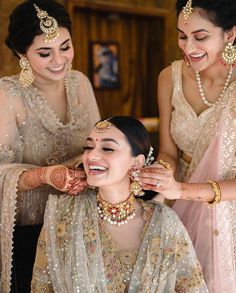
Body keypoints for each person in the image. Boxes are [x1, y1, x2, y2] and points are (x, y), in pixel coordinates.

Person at [31, 116, 208, 292]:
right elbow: (42, 287)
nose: (92, 155)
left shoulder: (164, 222)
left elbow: (191, 287)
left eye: (107, 148)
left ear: (136, 163)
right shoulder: (64, 216)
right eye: (88, 147)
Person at [0, 0, 100, 291]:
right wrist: (46, 176)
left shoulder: (80, 82)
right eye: (45, 52)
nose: (59, 60)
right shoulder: (9, 94)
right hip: (30, 232)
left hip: (82, 223)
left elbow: (98, 143)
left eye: (65, 47)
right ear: (21, 53)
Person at [139, 0, 236, 292]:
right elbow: (169, 152)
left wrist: (182, 190)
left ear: (230, 34)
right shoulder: (169, 78)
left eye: (201, 36)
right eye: (182, 35)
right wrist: (159, 177)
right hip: (180, 207)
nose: (188, 46)